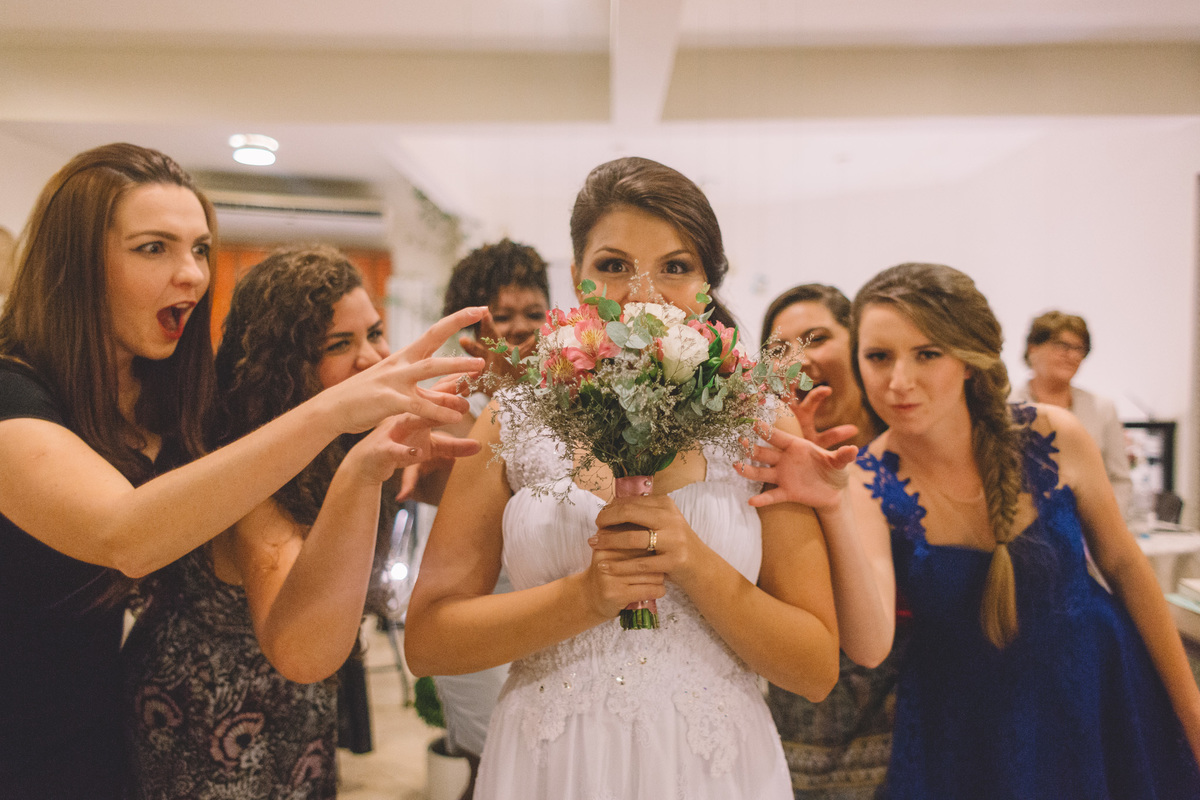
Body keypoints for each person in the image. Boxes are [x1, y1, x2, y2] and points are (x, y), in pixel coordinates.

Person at [0, 143, 485, 799]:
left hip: (101, 729)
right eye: (154, 248)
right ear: (77, 266)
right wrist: (333, 412)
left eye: (200, 249)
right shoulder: (12, 395)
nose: (192, 275)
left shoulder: (168, 397)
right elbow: (125, 535)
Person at [405, 156, 862, 799]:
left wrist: (694, 562)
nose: (643, 296)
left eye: (675, 267)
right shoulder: (512, 419)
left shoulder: (761, 422)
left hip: (710, 768)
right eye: (614, 265)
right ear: (577, 277)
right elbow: (429, 642)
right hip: (552, 765)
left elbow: (814, 668)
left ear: (707, 285)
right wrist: (584, 598)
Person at [761, 262, 1200, 798]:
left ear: (968, 359)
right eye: (879, 357)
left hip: (1096, 693)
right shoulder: (866, 479)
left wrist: (1192, 713)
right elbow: (870, 646)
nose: (899, 382)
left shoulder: (1054, 433)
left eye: (927, 354)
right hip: (968, 731)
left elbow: (1126, 568)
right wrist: (831, 507)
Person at [415, 238, 551, 799]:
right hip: (473, 610)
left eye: (534, 313)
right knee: (493, 762)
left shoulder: (568, 401)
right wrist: (502, 406)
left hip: (551, 609)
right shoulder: (443, 405)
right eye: (503, 314)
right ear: (467, 326)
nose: (520, 329)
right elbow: (436, 489)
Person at [754, 283, 898, 799]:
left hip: (905, 707)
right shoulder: (759, 461)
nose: (799, 359)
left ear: (857, 344)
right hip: (801, 712)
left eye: (816, 338)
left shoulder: (904, 447)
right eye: (779, 349)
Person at [1010, 311, 1133, 518]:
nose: (1073, 356)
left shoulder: (1102, 409)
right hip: (1020, 525)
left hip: (1090, 526)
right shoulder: (1006, 405)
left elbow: (1119, 480)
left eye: (1079, 349)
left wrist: (1106, 525)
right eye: (1062, 346)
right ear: (1033, 348)